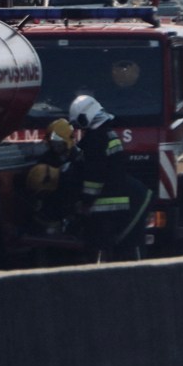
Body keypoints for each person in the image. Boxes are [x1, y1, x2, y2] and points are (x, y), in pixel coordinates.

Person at [68, 94, 153, 262]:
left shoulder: (95, 141)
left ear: (86, 118)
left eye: (79, 123)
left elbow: (94, 178)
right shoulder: (110, 135)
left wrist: (85, 202)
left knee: (97, 253)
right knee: (122, 254)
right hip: (122, 206)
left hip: (102, 210)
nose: (79, 128)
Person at [25, 118, 82, 233]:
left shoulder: (79, 158)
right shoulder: (46, 159)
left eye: (57, 141)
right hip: (52, 203)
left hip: (73, 202)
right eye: (52, 141)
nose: (54, 145)